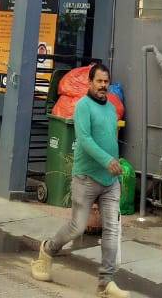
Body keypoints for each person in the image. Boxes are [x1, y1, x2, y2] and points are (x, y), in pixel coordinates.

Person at [31, 60, 129, 297]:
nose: (103, 85)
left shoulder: (111, 109)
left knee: (111, 230)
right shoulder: (83, 106)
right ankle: (47, 250)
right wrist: (107, 160)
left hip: (110, 182)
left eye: (106, 81)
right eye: (99, 81)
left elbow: (109, 138)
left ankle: (105, 283)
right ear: (90, 82)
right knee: (77, 227)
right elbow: (84, 140)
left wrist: (115, 164)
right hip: (86, 178)